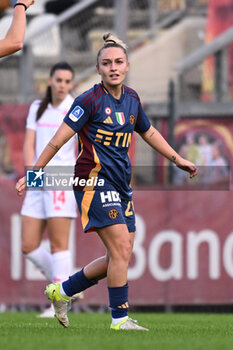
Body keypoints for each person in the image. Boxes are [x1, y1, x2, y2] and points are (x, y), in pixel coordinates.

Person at [16, 33, 198, 330]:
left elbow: (148, 132)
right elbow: (56, 141)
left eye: (118, 62)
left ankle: (61, 291)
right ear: (98, 69)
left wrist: (178, 159)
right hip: (92, 182)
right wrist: (32, 174)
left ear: (127, 66)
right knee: (120, 248)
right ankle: (119, 319)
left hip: (121, 185)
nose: (113, 67)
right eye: (106, 63)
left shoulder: (132, 99)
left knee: (120, 253)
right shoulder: (89, 100)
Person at [20, 61, 82, 318]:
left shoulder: (76, 109)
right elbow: (29, 144)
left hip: (60, 179)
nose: (62, 85)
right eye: (59, 80)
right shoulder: (37, 108)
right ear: (50, 80)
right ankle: (70, 284)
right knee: (28, 245)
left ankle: (61, 299)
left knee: (59, 245)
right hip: (37, 179)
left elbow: (82, 149)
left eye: (67, 82)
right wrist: (30, 174)